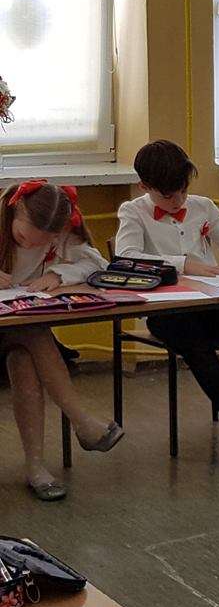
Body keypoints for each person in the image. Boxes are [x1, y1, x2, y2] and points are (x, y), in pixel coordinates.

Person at [116, 140, 219, 478]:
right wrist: (183, 263)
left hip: (211, 302)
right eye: (167, 197)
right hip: (167, 312)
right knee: (195, 344)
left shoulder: (203, 207)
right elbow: (126, 257)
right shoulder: (133, 211)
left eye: (183, 192)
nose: (178, 202)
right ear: (144, 186)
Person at [0, 181, 123, 501]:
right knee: (34, 333)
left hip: (16, 330)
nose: (31, 245)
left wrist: (57, 275)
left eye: (42, 242)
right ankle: (82, 422)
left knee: (24, 358)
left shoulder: (61, 231)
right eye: (23, 238)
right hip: (16, 330)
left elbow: (95, 263)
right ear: (15, 210)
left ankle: (36, 469)